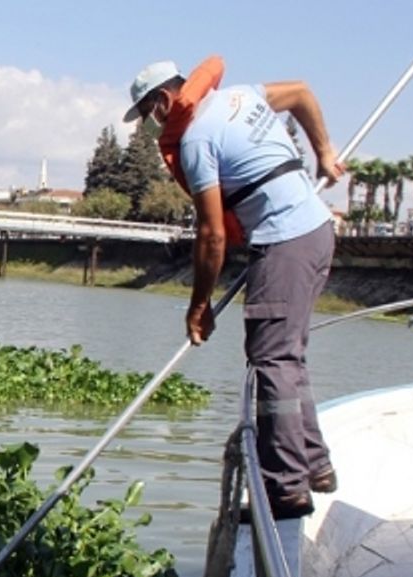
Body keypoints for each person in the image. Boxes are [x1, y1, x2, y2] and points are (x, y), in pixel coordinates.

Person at [123, 58, 344, 519]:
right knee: (286, 356)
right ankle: (315, 466)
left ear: (163, 99)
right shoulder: (242, 95)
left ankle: (286, 489)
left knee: (271, 360)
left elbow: (211, 236)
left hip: (286, 240)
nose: (150, 125)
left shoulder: (195, 141)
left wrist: (198, 305)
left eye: (147, 114)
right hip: (316, 230)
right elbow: (301, 90)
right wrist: (324, 152)